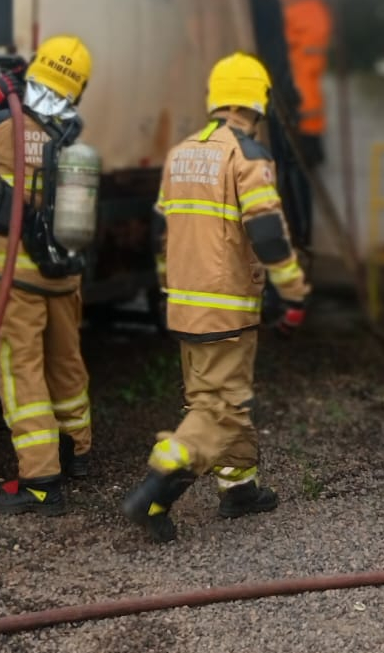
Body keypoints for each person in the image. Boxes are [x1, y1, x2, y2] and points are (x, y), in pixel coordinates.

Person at [122, 52, 310, 543]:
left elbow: (161, 229)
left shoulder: (181, 153)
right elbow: (268, 233)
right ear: (257, 103)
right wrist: (293, 292)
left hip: (184, 305)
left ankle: (239, 488)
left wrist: (170, 287)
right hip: (226, 307)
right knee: (219, 409)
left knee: (220, 396)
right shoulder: (247, 157)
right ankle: (158, 487)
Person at [0, 36, 94, 515]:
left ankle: (41, 480)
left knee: (20, 372)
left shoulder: (3, 122)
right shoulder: (70, 132)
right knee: (66, 362)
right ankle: (77, 450)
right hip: (65, 273)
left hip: (17, 276)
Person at [260, 0, 333, 168]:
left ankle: (311, 138)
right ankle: (304, 132)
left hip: (310, 26)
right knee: (296, 78)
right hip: (297, 26)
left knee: (306, 79)